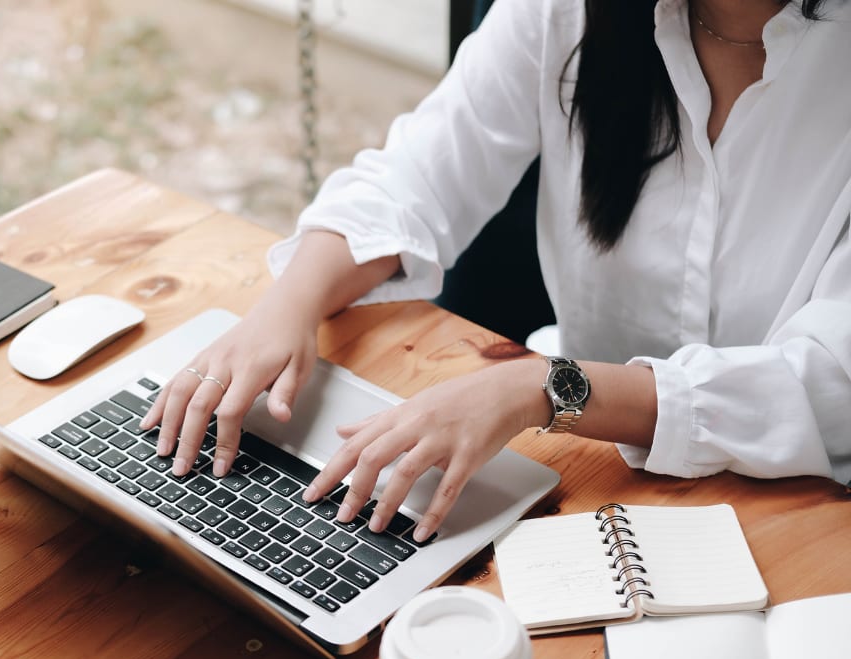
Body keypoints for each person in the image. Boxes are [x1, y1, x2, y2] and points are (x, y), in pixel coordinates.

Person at [142, 0, 851, 543]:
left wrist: (543, 386)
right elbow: (417, 175)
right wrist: (285, 308)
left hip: (800, 512)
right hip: (591, 481)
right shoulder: (566, 11)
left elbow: (828, 385)